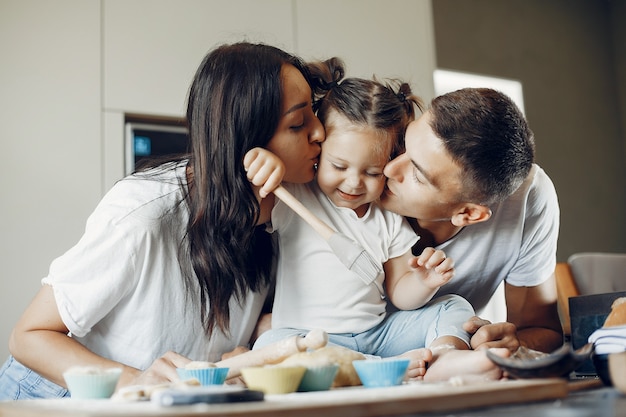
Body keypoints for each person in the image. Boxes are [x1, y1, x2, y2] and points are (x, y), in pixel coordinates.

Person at [0, 41, 325, 400]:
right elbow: (27, 338)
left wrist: (252, 344)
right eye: (298, 123)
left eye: (314, 113)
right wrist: (134, 380)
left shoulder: (285, 209)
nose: (319, 133)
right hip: (56, 393)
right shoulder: (143, 213)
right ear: (245, 139)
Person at [245, 59, 504, 382]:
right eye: (339, 166)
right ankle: (375, 367)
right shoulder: (296, 196)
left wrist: (424, 282)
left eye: (372, 172)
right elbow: (248, 208)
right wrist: (262, 164)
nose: (354, 183)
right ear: (318, 150)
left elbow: (399, 291)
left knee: (453, 305)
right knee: (271, 344)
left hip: (379, 334)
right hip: (310, 337)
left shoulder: (388, 216)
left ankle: (443, 357)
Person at [380, 87, 563, 355]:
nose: (388, 168)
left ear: (468, 214)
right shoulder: (357, 176)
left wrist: (513, 344)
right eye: (404, 145)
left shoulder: (527, 198)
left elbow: (543, 330)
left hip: (444, 360)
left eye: (418, 175)